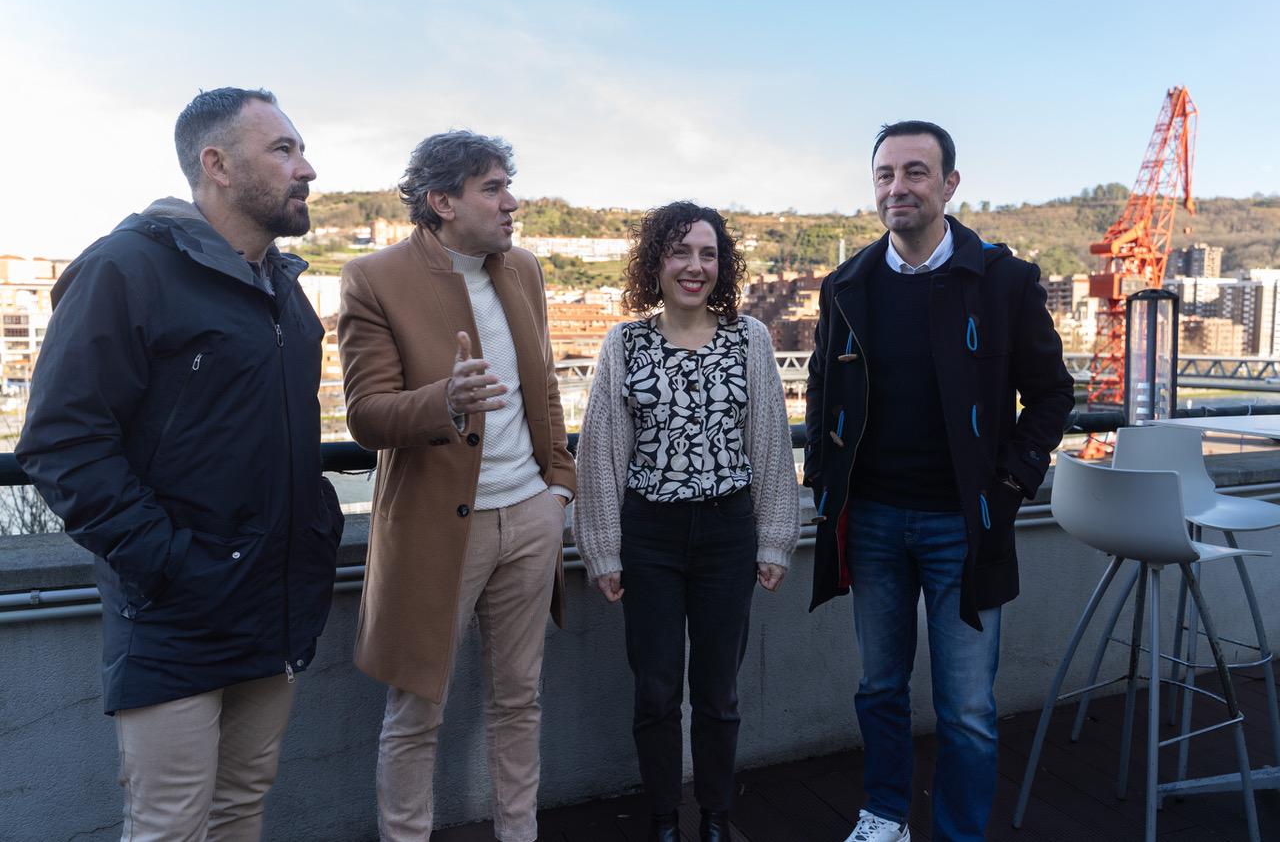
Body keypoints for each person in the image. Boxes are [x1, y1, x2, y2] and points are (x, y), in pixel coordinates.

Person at [15, 87, 344, 842]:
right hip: (173, 613)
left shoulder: (284, 289)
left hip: (272, 603)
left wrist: (314, 531)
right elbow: (62, 441)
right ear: (217, 164)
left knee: (241, 808)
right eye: (284, 150)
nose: (307, 169)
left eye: (301, 150)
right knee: (170, 826)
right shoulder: (125, 268)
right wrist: (169, 562)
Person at [804, 121, 1074, 842]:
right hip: (872, 520)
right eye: (885, 174)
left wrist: (1011, 482)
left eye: (915, 172)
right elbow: (823, 387)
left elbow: (1052, 393)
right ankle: (885, 814)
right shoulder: (847, 285)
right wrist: (822, 477)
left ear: (950, 184)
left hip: (964, 523)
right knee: (879, 686)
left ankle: (959, 833)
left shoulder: (1004, 281)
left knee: (968, 709)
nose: (898, 187)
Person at [337, 130, 575, 842]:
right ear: (442, 202)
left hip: (529, 515)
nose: (512, 203)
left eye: (508, 186)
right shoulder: (373, 278)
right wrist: (444, 399)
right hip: (439, 528)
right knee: (417, 711)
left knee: (520, 700)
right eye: (493, 189)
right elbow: (365, 416)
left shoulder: (523, 269)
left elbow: (544, 388)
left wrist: (558, 490)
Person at [575, 201, 800, 842]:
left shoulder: (749, 339)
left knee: (719, 692)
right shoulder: (625, 343)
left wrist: (775, 539)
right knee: (655, 690)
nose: (694, 266)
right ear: (656, 262)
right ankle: (663, 820)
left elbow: (770, 446)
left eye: (707, 253)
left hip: (728, 533)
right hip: (650, 535)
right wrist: (603, 549)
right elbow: (601, 453)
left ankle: (717, 818)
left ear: (722, 265)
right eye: (680, 251)